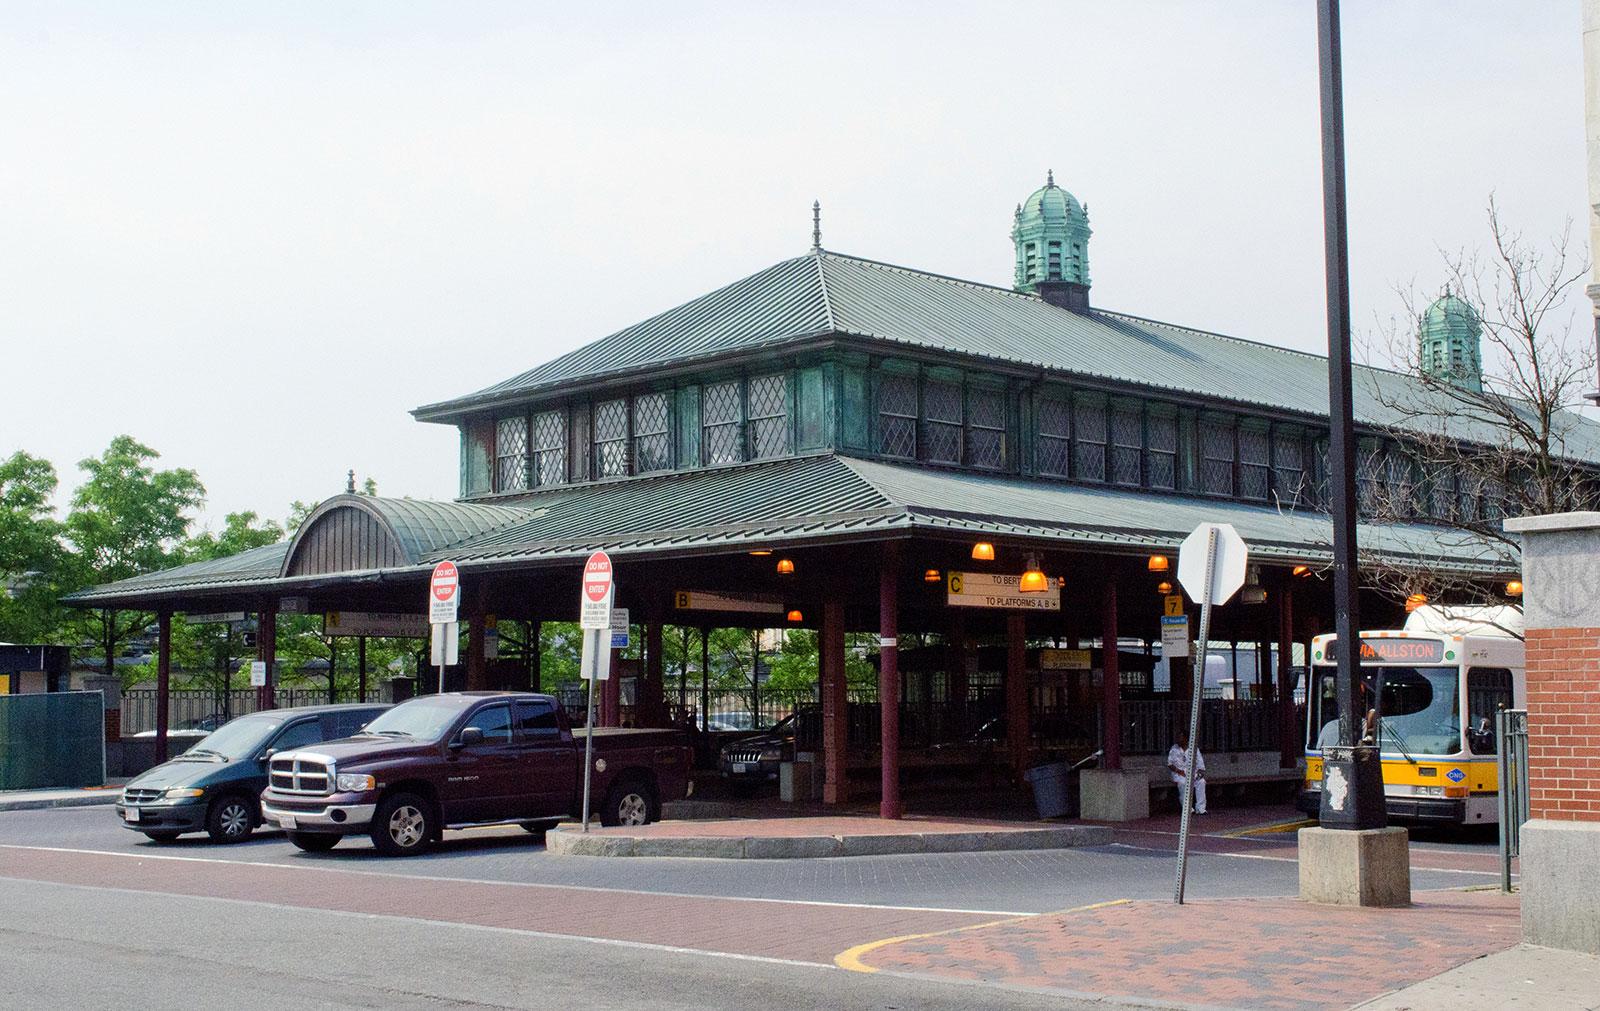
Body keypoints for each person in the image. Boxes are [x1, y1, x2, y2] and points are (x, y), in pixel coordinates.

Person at [1167, 729, 1207, 815]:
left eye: (1180, 737)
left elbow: (1201, 765)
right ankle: (1187, 808)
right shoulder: (1174, 748)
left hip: (1192, 773)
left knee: (1201, 782)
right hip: (1179, 774)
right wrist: (1179, 771)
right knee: (1183, 783)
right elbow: (1170, 764)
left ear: (1186, 738)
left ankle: (1201, 809)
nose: (1178, 739)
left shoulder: (1194, 748)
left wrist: (1199, 775)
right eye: (1177, 737)